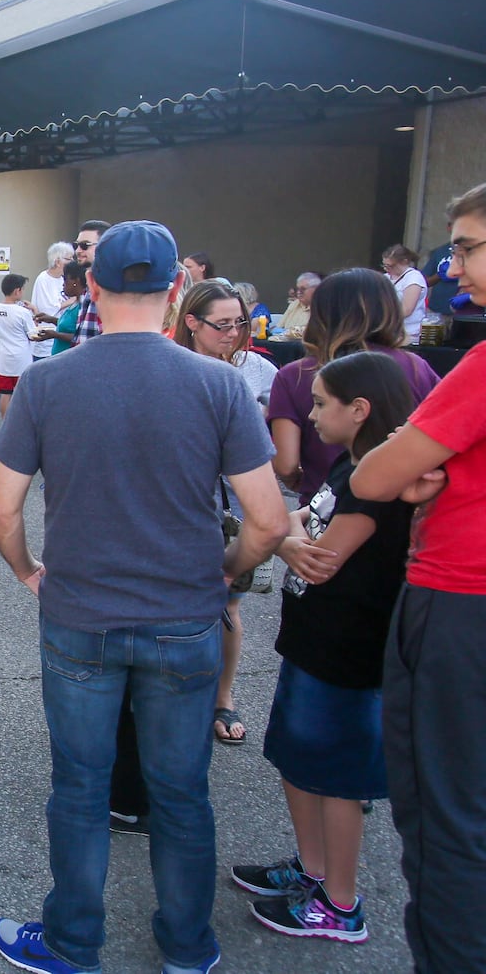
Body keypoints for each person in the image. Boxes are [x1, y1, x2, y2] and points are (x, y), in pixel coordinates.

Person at [0, 220, 287, 974]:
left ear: (90, 286)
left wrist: (29, 571)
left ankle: (73, 942)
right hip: (186, 620)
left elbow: (1, 507)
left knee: (80, 786)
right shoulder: (220, 384)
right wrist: (225, 567)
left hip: (80, 616)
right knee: (180, 791)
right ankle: (188, 945)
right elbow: (270, 520)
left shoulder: (49, 380)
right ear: (176, 290)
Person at [350, 181, 486, 973]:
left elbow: (373, 474)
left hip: (458, 602)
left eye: (466, 245)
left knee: (446, 818)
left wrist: (406, 460)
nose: (451, 264)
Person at [232, 351, 413, 944]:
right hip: (312, 644)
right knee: (297, 757)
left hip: (348, 656)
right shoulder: (348, 467)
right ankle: (311, 871)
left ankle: (340, 902)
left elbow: (321, 557)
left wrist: (283, 536)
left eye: (319, 404)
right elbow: (295, 522)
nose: (309, 416)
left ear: (359, 410)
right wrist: (287, 532)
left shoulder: (374, 483)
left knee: (337, 776)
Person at [173, 278, 278, 746]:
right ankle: (173, 700)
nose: (233, 333)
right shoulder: (174, 367)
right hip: (186, 502)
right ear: (192, 323)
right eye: (222, 325)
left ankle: (223, 696)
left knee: (229, 604)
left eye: (240, 322)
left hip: (237, 500)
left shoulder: (255, 369)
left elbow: (267, 446)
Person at [267, 267, 438, 507]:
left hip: (325, 510)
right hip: (401, 507)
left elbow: (286, 464)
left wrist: (304, 483)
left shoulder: (294, 375)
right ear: (388, 309)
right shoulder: (416, 367)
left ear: (321, 313)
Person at [0, 273, 39, 419]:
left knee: (5, 394)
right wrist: (35, 311)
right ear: (17, 291)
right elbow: (33, 334)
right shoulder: (23, 312)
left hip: (4, 359)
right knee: (21, 395)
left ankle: (5, 424)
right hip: (21, 359)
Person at [28, 242, 73, 361]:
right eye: (69, 259)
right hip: (46, 341)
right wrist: (72, 300)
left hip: (63, 336)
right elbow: (48, 310)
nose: (72, 262)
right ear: (58, 262)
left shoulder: (64, 279)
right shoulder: (43, 279)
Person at [69, 220, 111, 344]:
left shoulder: (110, 287)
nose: (78, 251)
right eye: (76, 245)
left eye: (85, 245)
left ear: (105, 246)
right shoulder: (90, 283)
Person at [381, 243, 427, 344]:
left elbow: (407, 309)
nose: (387, 269)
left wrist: (381, 317)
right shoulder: (385, 277)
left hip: (408, 332)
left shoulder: (413, 277)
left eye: (390, 266)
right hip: (388, 331)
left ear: (404, 262)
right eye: (384, 266)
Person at [281, 272, 320, 338]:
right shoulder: (294, 304)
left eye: (303, 289)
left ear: (316, 289)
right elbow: (279, 327)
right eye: (297, 289)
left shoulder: (323, 307)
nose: (298, 292)